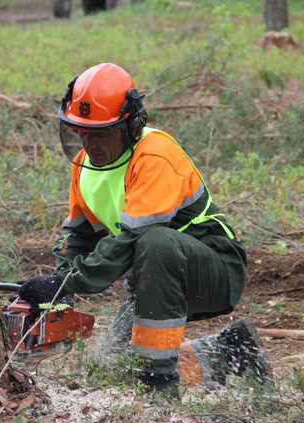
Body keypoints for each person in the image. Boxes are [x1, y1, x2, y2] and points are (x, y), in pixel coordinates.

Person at [18, 63, 271, 397]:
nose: (88, 143)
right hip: (154, 281)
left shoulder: (155, 156)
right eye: (80, 131)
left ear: (130, 126)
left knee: (155, 241)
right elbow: (77, 236)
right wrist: (61, 287)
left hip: (214, 268)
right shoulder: (84, 168)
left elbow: (133, 239)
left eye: (99, 133)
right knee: (114, 366)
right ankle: (228, 351)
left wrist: (70, 281)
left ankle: (159, 384)